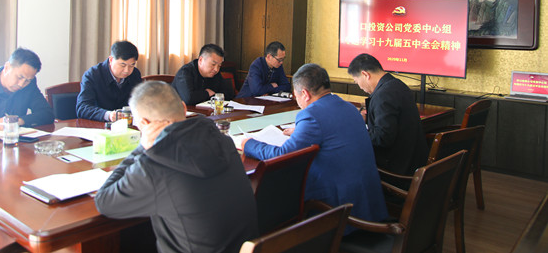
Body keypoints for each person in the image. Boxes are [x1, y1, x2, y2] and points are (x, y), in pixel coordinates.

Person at [95, 81, 258, 253]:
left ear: (143, 123)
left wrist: (143, 147)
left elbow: (104, 201)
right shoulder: (223, 140)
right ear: (183, 107)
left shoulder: (155, 164)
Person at [242, 63, 388, 233]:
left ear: (305, 94)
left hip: (340, 213)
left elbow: (283, 154)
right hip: (367, 204)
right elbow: (332, 129)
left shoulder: (311, 115)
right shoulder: (349, 107)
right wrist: (301, 131)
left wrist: (249, 144)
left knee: (274, 190)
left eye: (296, 96)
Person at [347, 53, 428, 175]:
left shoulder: (383, 95)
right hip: (412, 162)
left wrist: (355, 132)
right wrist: (368, 119)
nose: (360, 87)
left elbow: (382, 138)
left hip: (397, 171)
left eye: (356, 81)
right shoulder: (397, 85)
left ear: (365, 75)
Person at [76, 41, 143, 121]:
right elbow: (82, 108)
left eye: (132, 65)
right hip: (99, 124)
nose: (127, 70)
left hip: (127, 124)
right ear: (111, 59)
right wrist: (108, 115)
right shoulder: (93, 75)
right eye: (123, 65)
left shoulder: (135, 74)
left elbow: (140, 102)